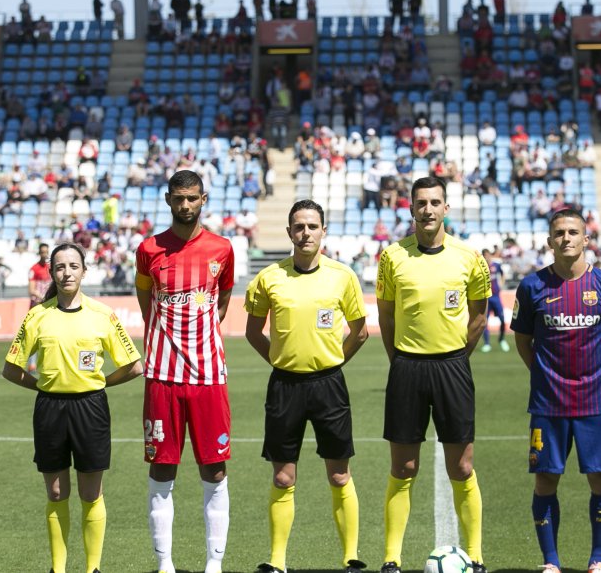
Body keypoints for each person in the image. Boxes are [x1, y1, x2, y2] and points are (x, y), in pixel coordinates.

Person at [2, 242, 143, 573]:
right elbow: (11, 368)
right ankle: (58, 568)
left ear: (84, 271)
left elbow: (134, 366)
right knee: (55, 492)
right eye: (60, 267)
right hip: (50, 408)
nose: (67, 272)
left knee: (91, 492)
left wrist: (100, 383)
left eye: (73, 266)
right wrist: (41, 386)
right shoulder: (37, 315)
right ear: (51, 272)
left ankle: (93, 568)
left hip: (91, 408)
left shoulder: (103, 315)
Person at [244, 200, 369, 573]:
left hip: (329, 384)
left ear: (323, 231)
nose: (305, 233)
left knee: (339, 473)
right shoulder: (269, 278)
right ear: (289, 233)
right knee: (283, 475)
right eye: (299, 227)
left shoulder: (342, 276)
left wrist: (333, 360)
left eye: (312, 226)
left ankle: (350, 557)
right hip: (284, 385)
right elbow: (253, 332)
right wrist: (280, 361)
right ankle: (278, 560)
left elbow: (360, 331)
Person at [375, 176, 492, 573]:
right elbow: (387, 315)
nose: (427, 209)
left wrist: (458, 357)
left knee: (461, 466)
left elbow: (479, 314)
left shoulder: (469, 257)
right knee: (403, 468)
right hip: (407, 367)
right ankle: (391, 557)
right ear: (411, 208)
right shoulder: (392, 257)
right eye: (421, 202)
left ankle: (474, 555)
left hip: (452, 367)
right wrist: (399, 359)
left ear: (446, 208)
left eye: (435, 202)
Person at [511, 209, 601, 573]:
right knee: (546, 479)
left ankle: (598, 561)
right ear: (549, 241)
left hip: (595, 402)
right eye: (559, 233)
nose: (566, 238)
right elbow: (523, 341)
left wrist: (596, 372)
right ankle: (551, 563)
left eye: (573, 232)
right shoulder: (532, 287)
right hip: (548, 403)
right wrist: (546, 375)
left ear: (585, 239)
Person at [136, 170, 235, 573]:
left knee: (214, 467)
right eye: (179, 198)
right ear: (168, 200)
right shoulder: (149, 249)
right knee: (162, 466)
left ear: (203, 199)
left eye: (192, 198)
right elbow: (146, 301)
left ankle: (214, 566)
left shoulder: (222, 249)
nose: (185, 205)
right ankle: (165, 565)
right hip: (162, 375)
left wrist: (197, 337)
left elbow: (223, 300)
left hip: (209, 376)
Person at [480, 250, 509, 353]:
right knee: (484, 322)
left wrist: (501, 283)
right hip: (486, 298)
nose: (486, 258)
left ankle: (502, 339)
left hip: (496, 297)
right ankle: (487, 344)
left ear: (490, 255)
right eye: (484, 256)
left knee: (502, 319)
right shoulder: (480, 266)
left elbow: (502, 274)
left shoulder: (496, 265)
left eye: (487, 255)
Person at [29, 243, 52, 308]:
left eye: (46, 252)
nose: (45, 255)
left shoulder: (51, 268)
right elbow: (31, 290)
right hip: (37, 303)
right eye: (42, 252)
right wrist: (43, 297)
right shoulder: (33, 269)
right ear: (39, 253)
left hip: (49, 302)